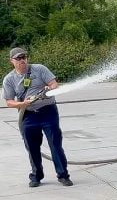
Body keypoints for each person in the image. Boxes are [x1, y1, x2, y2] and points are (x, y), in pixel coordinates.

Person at [3, 47, 72, 187]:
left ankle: (63, 175)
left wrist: (50, 88)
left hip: (48, 112)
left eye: (24, 57)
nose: (22, 60)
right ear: (12, 61)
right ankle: (36, 176)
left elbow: (54, 83)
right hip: (28, 116)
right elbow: (9, 102)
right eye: (18, 58)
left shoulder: (39, 69)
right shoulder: (9, 79)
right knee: (32, 147)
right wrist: (23, 103)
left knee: (55, 145)